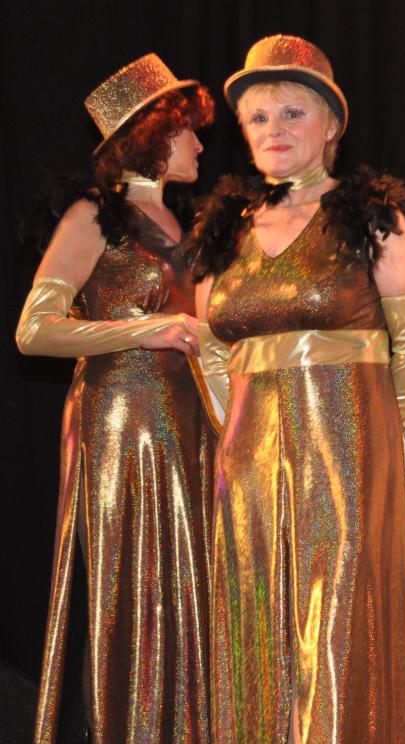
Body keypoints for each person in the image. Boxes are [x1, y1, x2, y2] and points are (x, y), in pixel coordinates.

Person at [188, 35, 405, 743]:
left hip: (346, 462)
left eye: (293, 113)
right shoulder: (225, 231)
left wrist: (378, 440)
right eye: (260, 117)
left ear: (331, 125)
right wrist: (234, 435)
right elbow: (211, 350)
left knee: (332, 642)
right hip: (248, 471)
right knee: (255, 636)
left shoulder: (374, 221)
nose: (275, 130)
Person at [16, 54, 216, 743]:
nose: (200, 144)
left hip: (188, 423)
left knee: (185, 587)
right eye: (189, 130)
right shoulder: (94, 216)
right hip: (123, 419)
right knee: (135, 590)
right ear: (156, 133)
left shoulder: (184, 222)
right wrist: (146, 329)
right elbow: (33, 331)